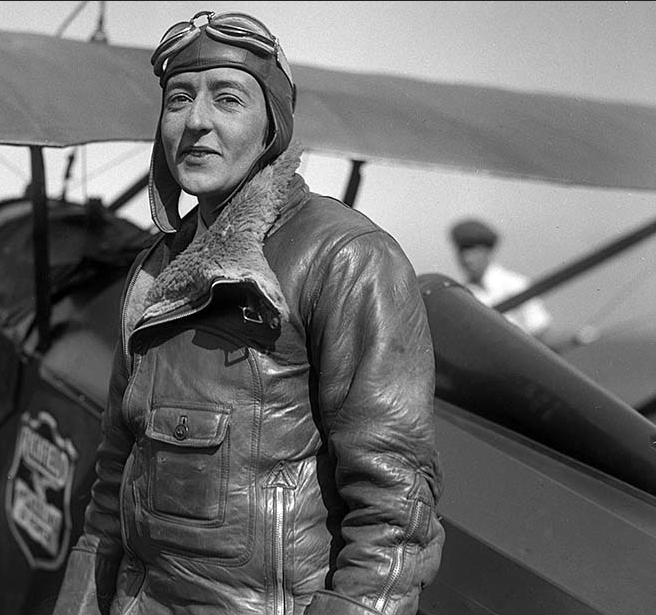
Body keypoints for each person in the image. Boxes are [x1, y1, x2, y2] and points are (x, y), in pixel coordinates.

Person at [52, 10, 444, 615]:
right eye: (178, 99)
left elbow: (397, 508)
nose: (197, 122)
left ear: (272, 130)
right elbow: (114, 474)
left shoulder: (347, 257)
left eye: (228, 99)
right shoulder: (155, 268)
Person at [449, 217, 553, 341]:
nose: (466, 258)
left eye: (472, 250)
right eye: (462, 250)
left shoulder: (515, 284)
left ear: (487, 250)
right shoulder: (462, 294)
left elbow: (539, 329)